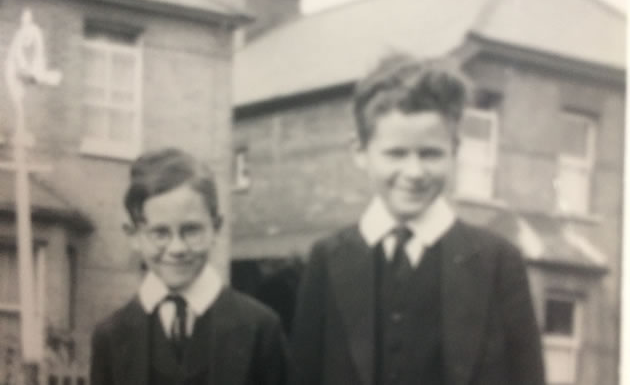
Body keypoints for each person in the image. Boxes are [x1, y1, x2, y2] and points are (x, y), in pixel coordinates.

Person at [291, 54, 545, 385]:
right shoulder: (327, 258)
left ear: (455, 150)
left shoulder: (498, 262)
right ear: (359, 151)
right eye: (396, 153)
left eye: (431, 154)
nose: (414, 172)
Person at [90, 148, 290, 385]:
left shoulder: (260, 328)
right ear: (134, 235)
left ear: (216, 228)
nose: (177, 249)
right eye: (160, 233)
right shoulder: (111, 335)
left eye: (191, 230)